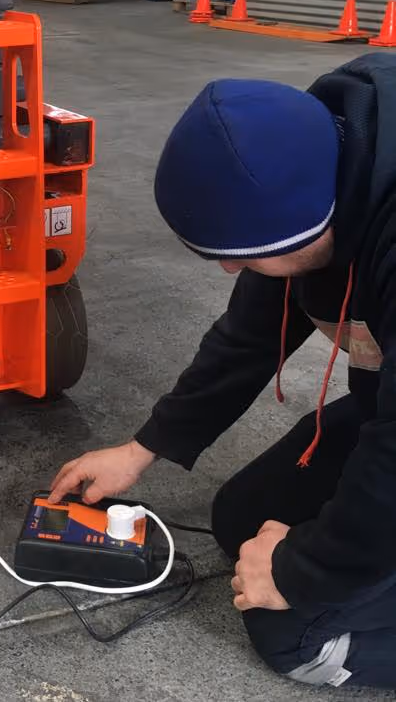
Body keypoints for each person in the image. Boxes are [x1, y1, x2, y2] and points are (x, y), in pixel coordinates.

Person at [49, 53, 396, 690]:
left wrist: (303, 573)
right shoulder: (311, 162)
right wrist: (143, 448)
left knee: (294, 635)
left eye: (245, 257)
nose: (230, 273)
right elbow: (249, 335)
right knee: (244, 521)